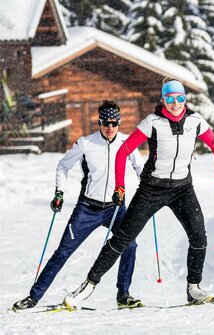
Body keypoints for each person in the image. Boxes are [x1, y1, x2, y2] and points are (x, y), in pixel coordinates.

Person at [63, 79, 214, 308]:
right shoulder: (152, 122)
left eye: (180, 98)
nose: (175, 103)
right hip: (151, 189)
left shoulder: (195, 122)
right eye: (170, 98)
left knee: (199, 237)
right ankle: (87, 287)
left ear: (185, 99)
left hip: (182, 188)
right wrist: (120, 186)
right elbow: (123, 152)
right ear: (163, 100)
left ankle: (193, 288)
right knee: (122, 239)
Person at [12, 101, 145, 310]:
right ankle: (33, 297)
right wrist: (59, 192)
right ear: (99, 122)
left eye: (114, 123)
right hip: (87, 209)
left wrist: (149, 187)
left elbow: (140, 168)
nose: (110, 127)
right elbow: (63, 166)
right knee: (63, 251)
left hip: (116, 207)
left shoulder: (127, 143)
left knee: (130, 245)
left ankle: (123, 294)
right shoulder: (86, 143)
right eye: (106, 122)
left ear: (119, 123)